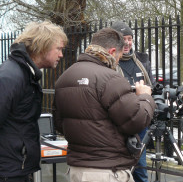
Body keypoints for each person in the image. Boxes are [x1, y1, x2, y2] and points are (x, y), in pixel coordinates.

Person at [52, 28, 156, 182]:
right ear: (113, 51)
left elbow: (60, 123)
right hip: (107, 170)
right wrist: (145, 97)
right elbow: (136, 121)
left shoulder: (65, 77)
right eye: (119, 56)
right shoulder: (110, 78)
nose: (118, 61)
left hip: (76, 169)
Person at [0, 21, 68, 182]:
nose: (61, 55)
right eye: (58, 48)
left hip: (17, 167)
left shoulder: (26, 74)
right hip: (8, 171)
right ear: (42, 46)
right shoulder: (11, 76)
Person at [111, 21, 154, 182]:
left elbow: (152, 86)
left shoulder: (142, 61)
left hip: (140, 120)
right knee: (121, 166)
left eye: (130, 38)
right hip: (119, 121)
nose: (127, 42)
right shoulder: (110, 62)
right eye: (123, 38)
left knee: (140, 168)